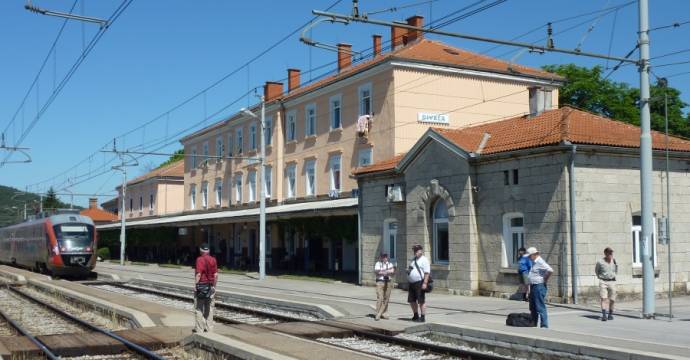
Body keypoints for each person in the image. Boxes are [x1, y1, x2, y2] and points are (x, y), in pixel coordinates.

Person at [194, 243, 218, 333]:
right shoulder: (213, 260)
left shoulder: (199, 259)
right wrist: (214, 286)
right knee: (210, 308)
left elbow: (199, 274)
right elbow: (216, 275)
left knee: (199, 308)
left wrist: (195, 286)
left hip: (201, 286)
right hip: (211, 287)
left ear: (201, 250)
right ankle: (209, 329)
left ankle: (199, 329)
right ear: (208, 251)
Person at [526, 247, 553, 328]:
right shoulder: (534, 262)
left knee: (540, 306)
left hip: (539, 286)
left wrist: (545, 279)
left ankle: (544, 325)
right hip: (533, 285)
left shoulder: (540, 261)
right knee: (533, 306)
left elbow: (550, 270)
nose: (528, 257)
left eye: (529, 256)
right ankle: (534, 323)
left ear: (535, 254)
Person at [407, 244, 430, 322]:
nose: (415, 252)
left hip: (420, 283)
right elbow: (410, 268)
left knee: (421, 301)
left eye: (416, 250)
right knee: (411, 300)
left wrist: (425, 283)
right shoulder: (413, 260)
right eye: (414, 251)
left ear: (421, 251)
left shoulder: (424, 260)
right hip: (412, 283)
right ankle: (415, 315)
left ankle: (422, 317)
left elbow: (427, 273)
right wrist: (408, 271)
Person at [595, 247, 618, 321]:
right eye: (609, 253)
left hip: (612, 281)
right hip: (603, 281)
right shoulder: (600, 262)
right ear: (605, 253)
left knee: (612, 299)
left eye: (611, 253)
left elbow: (616, 270)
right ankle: (604, 315)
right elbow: (597, 271)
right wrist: (600, 278)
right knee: (603, 298)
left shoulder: (614, 261)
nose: (611, 254)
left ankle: (610, 314)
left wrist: (614, 276)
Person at [373, 253, 395, 320]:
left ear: (387, 257)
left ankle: (383, 313)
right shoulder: (378, 263)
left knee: (386, 298)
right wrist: (387, 271)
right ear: (381, 257)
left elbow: (393, 271)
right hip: (380, 282)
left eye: (385, 256)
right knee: (380, 298)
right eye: (383, 257)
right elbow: (377, 272)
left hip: (388, 282)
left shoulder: (390, 264)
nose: (384, 258)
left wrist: (384, 271)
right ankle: (378, 313)